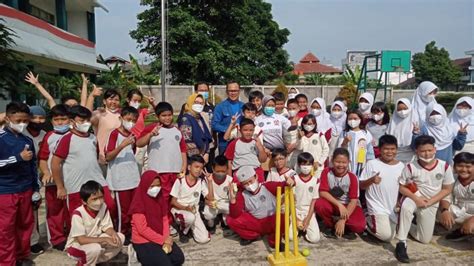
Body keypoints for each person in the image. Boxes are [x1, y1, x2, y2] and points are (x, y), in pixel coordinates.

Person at [394, 135, 454, 263]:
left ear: (435, 149)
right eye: (422, 151)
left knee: (425, 239)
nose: (426, 154)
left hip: (431, 202)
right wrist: (417, 199)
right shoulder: (410, 166)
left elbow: (447, 189)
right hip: (414, 198)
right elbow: (402, 187)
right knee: (406, 207)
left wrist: (431, 201)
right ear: (417, 151)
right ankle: (401, 242)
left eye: (429, 150)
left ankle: (406, 225)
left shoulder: (444, 166)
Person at [51, 105, 115, 219]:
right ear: (72, 121)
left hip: (98, 181)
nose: (85, 123)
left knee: (109, 207)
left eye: (87, 120)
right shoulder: (66, 139)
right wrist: (60, 187)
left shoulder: (93, 138)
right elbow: (55, 163)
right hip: (76, 186)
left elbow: (94, 157)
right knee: (79, 217)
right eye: (81, 120)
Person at [0, 102, 38, 265]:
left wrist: (36, 189)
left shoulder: (27, 140)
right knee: (6, 229)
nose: (22, 124)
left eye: (25, 121)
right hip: (5, 191)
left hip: (26, 189)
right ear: (8, 118)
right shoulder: (1, 139)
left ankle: (22, 256)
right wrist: (17, 158)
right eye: (18, 120)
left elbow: (33, 166)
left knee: (25, 225)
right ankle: (7, 261)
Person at [227, 166, 294, 247]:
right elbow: (235, 214)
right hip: (256, 223)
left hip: (271, 220)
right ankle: (252, 235)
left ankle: (274, 241)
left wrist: (290, 181)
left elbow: (283, 185)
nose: (249, 185)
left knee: (284, 218)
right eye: (245, 183)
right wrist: (233, 200)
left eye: (250, 181)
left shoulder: (267, 186)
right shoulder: (242, 194)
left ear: (256, 177)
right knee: (230, 219)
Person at [136, 102, 187, 207]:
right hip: (159, 172)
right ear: (157, 116)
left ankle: (171, 220)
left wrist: (184, 166)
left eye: (169, 115)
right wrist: (150, 135)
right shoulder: (152, 128)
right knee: (160, 199)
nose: (167, 118)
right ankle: (162, 220)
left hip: (175, 172)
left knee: (174, 197)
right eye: (164, 116)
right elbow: (139, 143)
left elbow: (183, 150)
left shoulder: (177, 131)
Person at [130, 170, 185, 266]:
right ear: (145, 186)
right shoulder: (138, 204)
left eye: (158, 185)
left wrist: (166, 237)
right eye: (152, 186)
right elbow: (142, 230)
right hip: (143, 240)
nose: (156, 189)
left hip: (160, 235)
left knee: (179, 259)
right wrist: (163, 240)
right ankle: (137, 254)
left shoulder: (160, 198)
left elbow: (164, 219)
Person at [65, 181, 124, 265]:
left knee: (120, 238)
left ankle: (94, 261)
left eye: (101, 197)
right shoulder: (78, 214)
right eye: (94, 199)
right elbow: (81, 240)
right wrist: (105, 239)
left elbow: (107, 226)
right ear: (84, 202)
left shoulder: (103, 207)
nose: (99, 201)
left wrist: (113, 234)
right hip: (76, 247)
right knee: (95, 249)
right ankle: (84, 263)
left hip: (95, 240)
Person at [104, 106, 141, 240]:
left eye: (133, 120)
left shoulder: (133, 136)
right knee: (123, 211)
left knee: (133, 209)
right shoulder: (114, 134)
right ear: (121, 118)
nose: (130, 122)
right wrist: (122, 145)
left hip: (133, 178)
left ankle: (132, 231)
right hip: (120, 180)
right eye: (128, 119)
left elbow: (133, 152)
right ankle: (121, 234)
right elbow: (108, 157)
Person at [38, 104, 71, 251]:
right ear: (51, 121)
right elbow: (43, 158)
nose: (60, 122)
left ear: (70, 119)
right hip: (53, 182)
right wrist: (46, 172)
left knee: (71, 210)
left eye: (63, 119)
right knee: (54, 211)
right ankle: (57, 238)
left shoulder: (74, 134)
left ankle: (72, 236)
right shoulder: (49, 136)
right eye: (56, 119)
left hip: (72, 180)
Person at [359, 135, 404, 242]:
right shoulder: (372, 164)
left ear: (396, 149)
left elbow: (403, 188)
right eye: (386, 149)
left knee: (393, 234)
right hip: (376, 206)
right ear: (380, 150)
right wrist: (372, 180)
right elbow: (361, 185)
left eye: (392, 149)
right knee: (385, 236)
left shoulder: (401, 166)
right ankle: (366, 217)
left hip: (392, 208)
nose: (389, 152)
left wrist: (399, 202)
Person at [315, 148, 366, 239]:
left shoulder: (352, 177)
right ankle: (331, 225)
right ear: (332, 160)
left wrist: (343, 220)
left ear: (348, 162)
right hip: (333, 204)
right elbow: (322, 192)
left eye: (344, 162)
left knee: (359, 226)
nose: (341, 165)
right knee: (319, 204)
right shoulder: (326, 172)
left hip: (348, 205)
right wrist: (339, 205)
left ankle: (343, 225)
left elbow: (353, 201)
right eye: (337, 162)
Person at [170, 155, 212, 244]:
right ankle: (183, 231)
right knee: (189, 217)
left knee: (204, 239)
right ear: (189, 167)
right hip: (180, 210)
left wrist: (210, 181)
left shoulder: (201, 181)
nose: (198, 170)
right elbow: (173, 202)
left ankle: (190, 228)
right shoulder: (180, 180)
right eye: (196, 167)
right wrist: (185, 208)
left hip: (194, 211)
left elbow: (210, 198)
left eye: (201, 168)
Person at [23, 105, 47, 255]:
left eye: (41, 118)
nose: (37, 121)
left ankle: (33, 241)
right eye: (34, 117)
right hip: (18, 176)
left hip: (35, 176)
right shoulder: (21, 132)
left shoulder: (44, 134)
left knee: (34, 208)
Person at [438, 152, 474, 241]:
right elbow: (446, 196)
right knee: (436, 206)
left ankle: (467, 230)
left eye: (468, 166)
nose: (464, 169)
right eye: (460, 166)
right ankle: (461, 230)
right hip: (462, 212)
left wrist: (472, 220)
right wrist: (445, 211)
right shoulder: (452, 178)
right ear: (454, 167)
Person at [289, 152, 321, 243]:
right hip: (295, 211)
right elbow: (291, 201)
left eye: (309, 164)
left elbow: (313, 203)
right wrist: (296, 218)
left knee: (315, 239)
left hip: (308, 212)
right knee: (290, 237)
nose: (306, 167)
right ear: (299, 165)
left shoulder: (316, 181)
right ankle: (298, 229)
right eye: (303, 164)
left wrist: (307, 219)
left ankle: (304, 229)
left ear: (312, 165)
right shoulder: (294, 179)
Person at [224, 118, 267, 182]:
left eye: (251, 130)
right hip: (240, 172)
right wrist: (230, 180)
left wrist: (260, 147)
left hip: (256, 171)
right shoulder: (234, 143)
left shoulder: (256, 142)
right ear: (240, 130)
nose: (248, 132)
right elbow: (229, 163)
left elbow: (263, 160)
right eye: (245, 130)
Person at [202, 155, 233, 233]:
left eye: (223, 171)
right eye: (218, 171)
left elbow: (232, 199)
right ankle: (211, 225)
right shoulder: (206, 180)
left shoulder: (230, 180)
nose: (220, 174)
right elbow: (210, 199)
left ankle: (225, 220)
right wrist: (210, 182)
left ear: (227, 169)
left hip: (225, 203)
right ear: (213, 168)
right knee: (207, 214)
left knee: (232, 209)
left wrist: (232, 191)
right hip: (212, 204)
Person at [90, 89, 122, 166]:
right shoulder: (100, 114)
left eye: (116, 100)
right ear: (104, 101)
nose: (113, 102)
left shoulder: (122, 116)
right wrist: (92, 97)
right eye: (110, 99)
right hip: (103, 158)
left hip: (119, 158)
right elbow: (87, 116)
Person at [338, 110, 375, 177]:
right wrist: (345, 141)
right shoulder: (344, 133)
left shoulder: (366, 133)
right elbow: (339, 151)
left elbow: (370, 152)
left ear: (360, 119)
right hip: (347, 164)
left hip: (361, 164)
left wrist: (369, 165)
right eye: (350, 119)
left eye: (355, 119)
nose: (352, 121)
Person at [178, 94, 213, 162]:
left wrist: (206, 153)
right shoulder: (186, 119)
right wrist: (199, 158)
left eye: (201, 103)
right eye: (196, 102)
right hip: (193, 159)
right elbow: (187, 141)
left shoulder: (199, 118)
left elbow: (206, 137)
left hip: (202, 156)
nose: (199, 105)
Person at [211, 81, 244, 154]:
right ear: (227, 91)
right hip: (225, 143)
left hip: (241, 143)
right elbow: (214, 125)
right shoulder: (220, 107)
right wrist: (228, 129)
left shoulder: (244, 106)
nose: (233, 93)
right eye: (230, 91)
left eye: (235, 91)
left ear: (239, 91)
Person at [386, 98, 415, 163]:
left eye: (405, 109)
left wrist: (416, 133)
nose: (402, 112)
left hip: (410, 154)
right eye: (399, 109)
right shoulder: (393, 122)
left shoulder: (415, 121)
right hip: (395, 153)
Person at [285, 98, 301, 168]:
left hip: (299, 152)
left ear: (299, 108)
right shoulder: (285, 122)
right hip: (287, 153)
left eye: (294, 108)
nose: (292, 111)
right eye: (290, 109)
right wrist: (288, 149)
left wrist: (294, 146)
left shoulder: (302, 121)